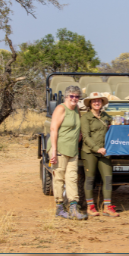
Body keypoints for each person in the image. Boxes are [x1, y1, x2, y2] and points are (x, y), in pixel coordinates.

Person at [48, 85, 87, 220]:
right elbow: (53, 129)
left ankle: (73, 207)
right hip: (59, 148)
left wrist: (80, 135)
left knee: (72, 178)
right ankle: (59, 207)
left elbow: (78, 126)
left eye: (77, 96)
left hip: (72, 149)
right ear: (66, 97)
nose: (74, 99)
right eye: (72, 96)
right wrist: (54, 151)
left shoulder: (76, 109)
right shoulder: (61, 108)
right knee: (59, 177)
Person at [81, 91, 118, 218]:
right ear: (90, 103)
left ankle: (108, 207)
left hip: (105, 152)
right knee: (90, 179)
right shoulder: (85, 118)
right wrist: (97, 148)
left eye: (99, 101)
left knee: (108, 178)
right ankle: (90, 206)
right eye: (94, 101)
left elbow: (114, 129)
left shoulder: (106, 116)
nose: (96, 103)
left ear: (102, 103)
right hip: (89, 152)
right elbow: (86, 137)